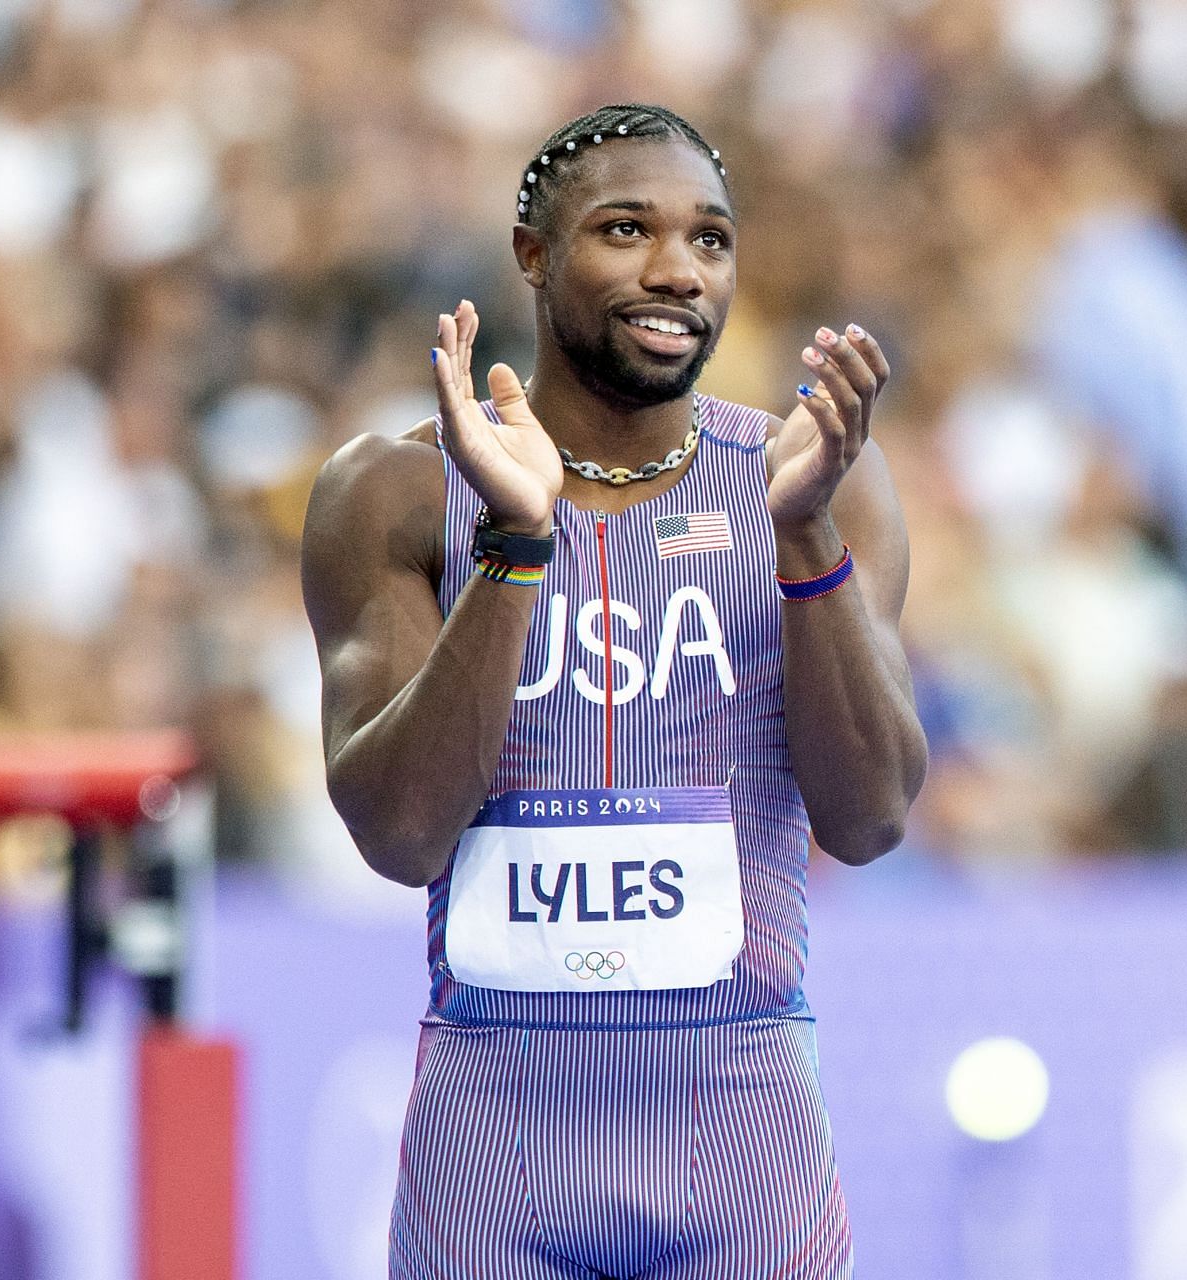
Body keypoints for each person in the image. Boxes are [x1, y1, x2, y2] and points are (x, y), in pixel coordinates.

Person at [300, 103, 926, 1280]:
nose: (676, 271)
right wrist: (516, 546)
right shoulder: (391, 493)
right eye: (627, 229)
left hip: (743, 1143)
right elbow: (398, 829)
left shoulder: (808, 477)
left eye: (711, 240)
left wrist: (803, 540)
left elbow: (873, 815)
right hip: (492, 1148)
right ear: (533, 255)